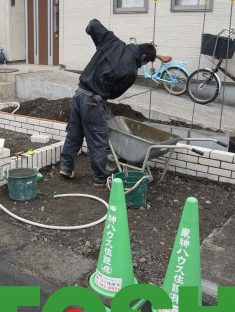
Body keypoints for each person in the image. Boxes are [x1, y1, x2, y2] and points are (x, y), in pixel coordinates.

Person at [59, 18, 163, 188]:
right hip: (93, 102)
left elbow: (92, 24)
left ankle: (66, 167)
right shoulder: (130, 71)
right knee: (97, 140)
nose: (142, 65)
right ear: (143, 57)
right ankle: (100, 178)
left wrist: (100, 45)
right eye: (144, 62)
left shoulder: (112, 42)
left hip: (78, 95)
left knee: (74, 135)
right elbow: (115, 93)